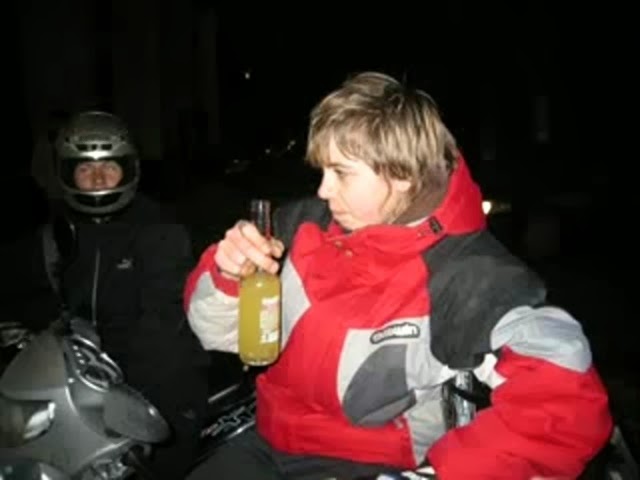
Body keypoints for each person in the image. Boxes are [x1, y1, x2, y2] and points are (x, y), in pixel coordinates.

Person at [182, 72, 613, 479]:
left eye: (341, 173)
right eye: (323, 171)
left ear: (402, 175)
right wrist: (227, 274)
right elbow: (216, 334)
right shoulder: (298, 226)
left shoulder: (468, 273)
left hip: (370, 464)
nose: (323, 190)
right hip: (265, 438)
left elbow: (565, 407)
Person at [2, 110, 209, 479]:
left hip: (154, 392)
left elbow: (162, 326)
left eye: (109, 167)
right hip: (84, 385)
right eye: (85, 168)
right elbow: (18, 279)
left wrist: (112, 395)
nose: (98, 178)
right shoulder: (59, 233)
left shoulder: (160, 231)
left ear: (129, 170)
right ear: (68, 174)